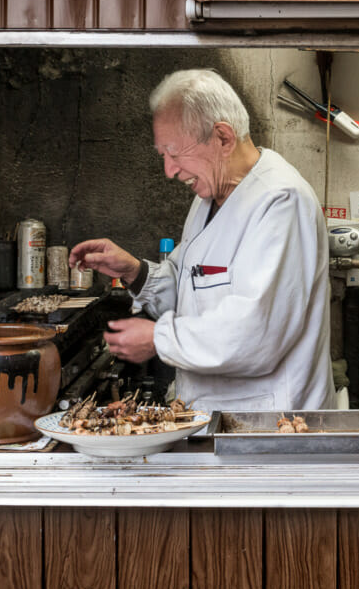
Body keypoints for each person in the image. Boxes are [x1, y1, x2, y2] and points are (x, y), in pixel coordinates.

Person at [70, 69, 334, 412]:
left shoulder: (281, 201)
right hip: (214, 418)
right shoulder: (207, 199)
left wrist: (157, 339)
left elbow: (257, 334)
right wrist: (137, 272)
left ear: (223, 137)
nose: (169, 170)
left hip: (269, 428)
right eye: (162, 154)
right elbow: (192, 291)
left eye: (174, 152)